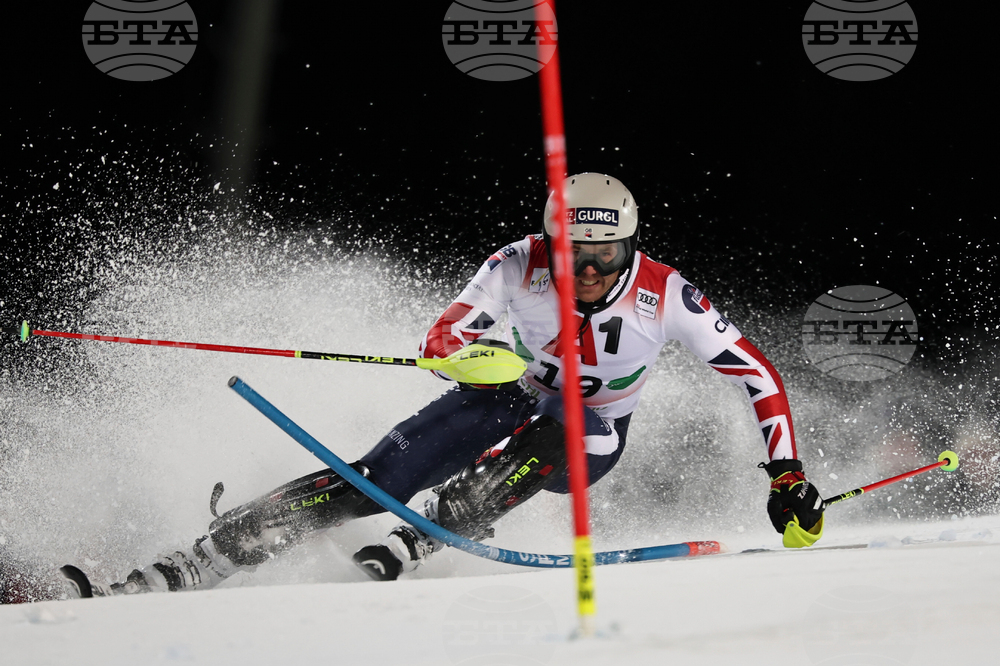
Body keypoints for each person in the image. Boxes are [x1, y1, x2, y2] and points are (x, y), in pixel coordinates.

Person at [63, 173, 824, 597]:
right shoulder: (516, 264)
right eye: (574, 254)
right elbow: (445, 331)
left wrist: (786, 473)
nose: (590, 271)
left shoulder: (666, 294)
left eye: (607, 254)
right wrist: (460, 351)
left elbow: (755, 372)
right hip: (508, 392)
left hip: (592, 430)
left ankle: (438, 526)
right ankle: (201, 559)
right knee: (373, 480)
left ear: (631, 245)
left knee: (565, 428)